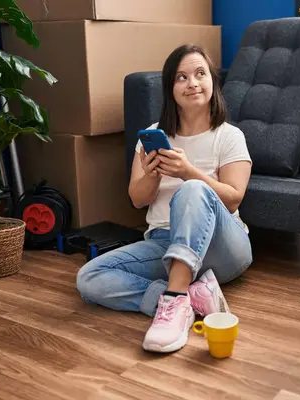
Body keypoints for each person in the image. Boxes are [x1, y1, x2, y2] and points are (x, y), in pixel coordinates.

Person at [76, 44, 253, 353]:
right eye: (181, 77)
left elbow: (234, 199)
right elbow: (138, 200)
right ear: (170, 88)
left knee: (193, 189)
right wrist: (153, 173)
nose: (193, 83)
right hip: (164, 242)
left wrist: (188, 172)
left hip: (223, 247)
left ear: (213, 81)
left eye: (200, 74)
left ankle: (171, 301)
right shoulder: (152, 135)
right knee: (89, 278)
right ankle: (188, 298)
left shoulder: (229, 135)